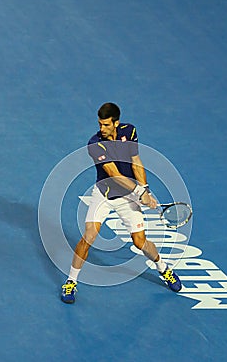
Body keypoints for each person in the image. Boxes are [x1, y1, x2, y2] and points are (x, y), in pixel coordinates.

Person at [61, 102, 182, 303]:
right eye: (100, 124)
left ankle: (163, 268)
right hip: (104, 195)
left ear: (116, 123)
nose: (102, 129)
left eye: (106, 125)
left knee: (140, 242)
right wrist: (138, 192)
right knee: (89, 236)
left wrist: (144, 189)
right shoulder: (95, 144)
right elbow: (114, 174)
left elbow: (136, 160)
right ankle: (71, 281)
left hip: (128, 198)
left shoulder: (130, 131)